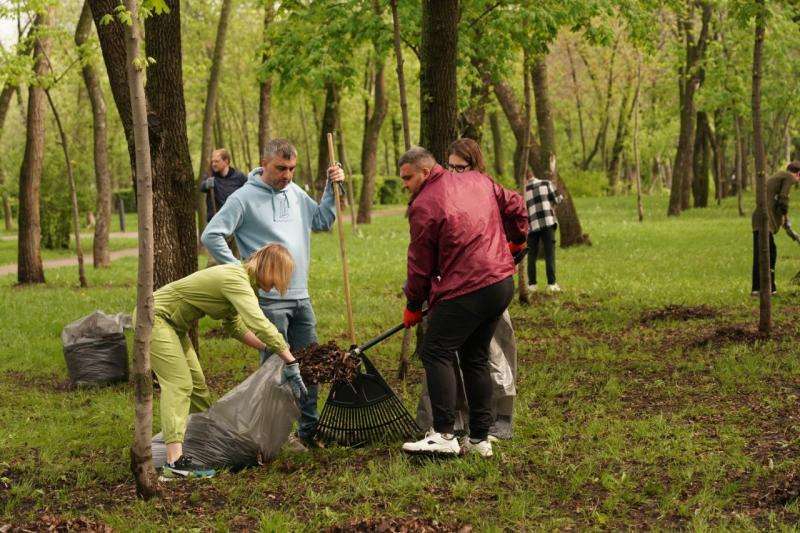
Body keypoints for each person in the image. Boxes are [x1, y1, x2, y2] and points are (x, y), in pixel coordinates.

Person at [201, 139, 344, 451]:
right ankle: (271, 436)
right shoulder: (243, 198)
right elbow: (211, 235)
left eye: (292, 168)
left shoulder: (295, 193)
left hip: (301, 296)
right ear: (264, 163)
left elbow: (322, 220)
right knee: (275, 370)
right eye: (281, 168)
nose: (287, 175)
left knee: (311, 365)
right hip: (268, 301)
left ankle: (308, 432)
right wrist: (239, 271)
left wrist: (332, 189)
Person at [398, 147, 527, 458]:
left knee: (435, 350)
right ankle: (479, 438)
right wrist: (518, 240)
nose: (404, 184)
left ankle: (443, 433)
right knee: (475, 356)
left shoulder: (424, 205)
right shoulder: (479, 181)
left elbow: (420, 264)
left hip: (467, 288)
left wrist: (414, 304)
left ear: (425, 172)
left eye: (407, 177)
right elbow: (517, 205)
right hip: (500, 284)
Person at [147, 244, 307, 479]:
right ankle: (174, 464)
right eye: (278, 277)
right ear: (268, 267)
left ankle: (202, 450)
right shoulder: (235, 278)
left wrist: (270, 349)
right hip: (156, 318)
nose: (276, 286)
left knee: (198, 388)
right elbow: (259, 323)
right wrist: (290, 360)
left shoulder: (243, 285)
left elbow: (234, 326)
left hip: (175, 327)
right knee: (180, 385)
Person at [751, 160, 800, 296]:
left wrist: (786, 222)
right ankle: (769, 289)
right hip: (765, 220)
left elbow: (778, 200)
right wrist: (787, 223)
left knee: (760, 254)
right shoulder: (789, 177)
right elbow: (783, 200)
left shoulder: (779, 175)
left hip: (759, 217)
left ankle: (757, 288)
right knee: (769, 253)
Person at [200, 148, 248, 266]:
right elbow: (201, 187)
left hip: (235, 225)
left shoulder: (239, 177)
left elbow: (248, 193)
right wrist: (207, 184)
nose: (213, 164)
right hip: (215, 224)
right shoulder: (211, 176)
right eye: (212, 161)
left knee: (233, 261)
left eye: (217, 161)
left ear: (226, 161)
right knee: (213, 264)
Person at [524, 166, 564, 293]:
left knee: (531, 255)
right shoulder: (546, 183)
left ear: (523, 178)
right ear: (533, 174)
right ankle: (551, 284)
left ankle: (532, 285)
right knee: (549, 253)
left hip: (532, 226)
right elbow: (558, 199)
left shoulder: (522, 190)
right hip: (547, 223)